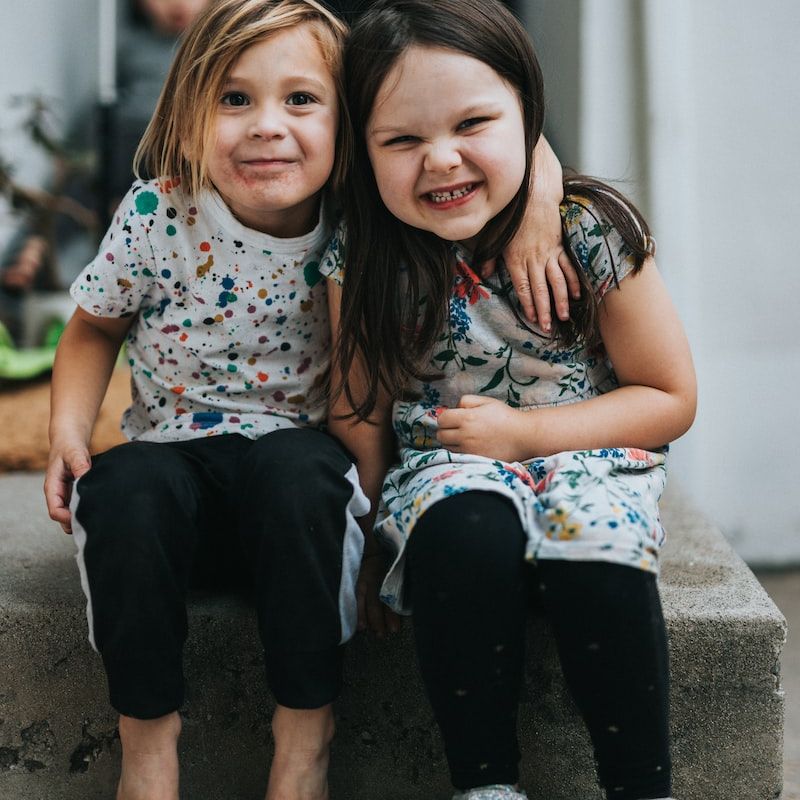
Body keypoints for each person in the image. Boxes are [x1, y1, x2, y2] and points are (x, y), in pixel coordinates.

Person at [44, 1, 571, 797]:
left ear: (350, 122)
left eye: (300, 99)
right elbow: (92, 328)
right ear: (189, 113)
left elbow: (495, 128)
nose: (267, 126)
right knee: (118, 488)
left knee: (300, 473)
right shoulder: (159, 213)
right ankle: (148, 748)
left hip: (299, 497)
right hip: (171, 477)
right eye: (234, 99)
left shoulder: (359, 215)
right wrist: (67, 432)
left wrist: (539, 201)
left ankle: (303, 742)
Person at [326, 2, 697, 799]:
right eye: (400, 140)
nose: (441, 160)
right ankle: (486, 786)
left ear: (529, 117)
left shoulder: (588, 229)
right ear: (359, 150)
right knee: (463, 528)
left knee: (596, 549)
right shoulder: (361, 253)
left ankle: (642, 788)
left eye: (472, 123)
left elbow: (668, 395)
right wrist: (362, 546)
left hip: (585, 456)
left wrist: (526, 434)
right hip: (448, 474)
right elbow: (357, 409)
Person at [0, 0, 210, 297]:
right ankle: (31, 250)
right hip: (127, 155)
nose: (177, 4)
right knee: (78, 178)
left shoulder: (217, 46)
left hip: (184, 152)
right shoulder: (129, 48)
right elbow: (90, 119)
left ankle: (35, 249)